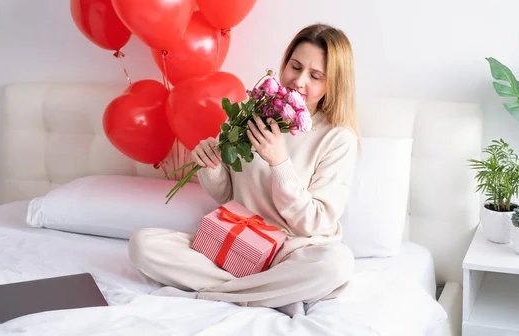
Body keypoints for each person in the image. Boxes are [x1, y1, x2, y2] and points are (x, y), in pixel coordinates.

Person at [128, 23, 360, 317]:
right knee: (142, 245)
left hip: (291, 253)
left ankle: (214, 293)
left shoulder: (338, 138)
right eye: (295, 66)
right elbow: (226, 195)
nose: (298, 81)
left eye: (315, 76)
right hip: (239, 245)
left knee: (336, 265)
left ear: (333, 84)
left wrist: (280, 162)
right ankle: (268, 293)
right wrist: (210, 165)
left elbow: (314, 223)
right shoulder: (252, 112)